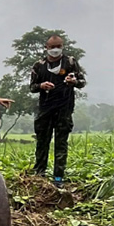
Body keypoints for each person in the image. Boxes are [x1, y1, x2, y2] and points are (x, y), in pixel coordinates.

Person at [30, 35, 86, 188]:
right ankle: (39, 174)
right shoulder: (39, 65)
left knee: (61, 144)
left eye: (58, 46)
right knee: (42, 142)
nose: (55, 50)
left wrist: (73, 81)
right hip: (45, 109)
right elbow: (32, 87)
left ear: (62, 46)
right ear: (46, 47)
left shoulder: (70, 62)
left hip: (64, 109)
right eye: (52, 47)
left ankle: (58, 177)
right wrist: (42, 85)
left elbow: (82, 82)